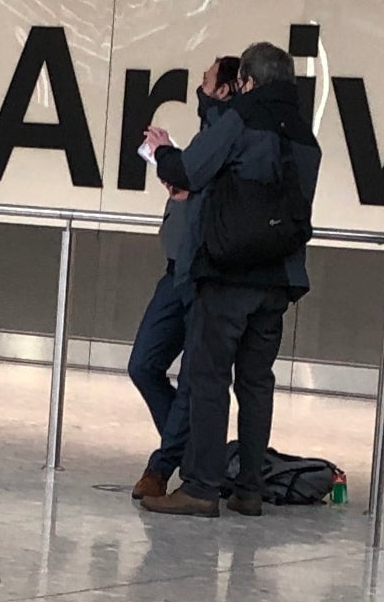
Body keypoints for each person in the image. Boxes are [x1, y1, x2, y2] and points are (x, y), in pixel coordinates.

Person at [141, 40, 318, 518]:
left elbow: (192, 169)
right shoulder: (305, 136)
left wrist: (161, 153)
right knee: (257, 382)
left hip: (227, 272)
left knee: (208, 378)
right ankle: (250, 489)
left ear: (248, 82)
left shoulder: (242, 118)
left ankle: (201, 486)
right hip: (279, 276)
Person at [125, 55, 235, 502]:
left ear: (225, 88)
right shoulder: (211, 135)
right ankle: (193, 454)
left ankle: (163, 465)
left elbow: (215, 192)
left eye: (207, 79)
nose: (201, 85)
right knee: (143, 363)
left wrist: (171, 158)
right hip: (176, 271)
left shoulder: (231, 136)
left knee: (194, 380)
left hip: (205, 275)